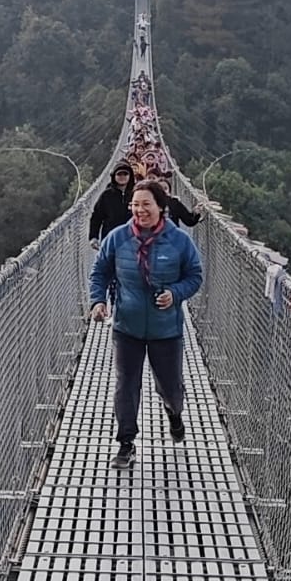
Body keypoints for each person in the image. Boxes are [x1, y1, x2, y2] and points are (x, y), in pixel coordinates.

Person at [90, 180, 203, 467]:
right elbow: (100, 271)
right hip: (126, 326)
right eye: (135, 204)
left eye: (146, 204)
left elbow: (195, 275)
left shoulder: (179, 241)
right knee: (126, 384)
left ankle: (174, 413)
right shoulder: (117, 238)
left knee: (170, 388)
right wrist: (98, 301)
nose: (139, 210)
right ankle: (126, 443)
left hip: (166, 329)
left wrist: (175, 293)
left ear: (161, 207)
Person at [88, 163, 136, 247]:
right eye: (119, 174)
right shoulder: (106, 195)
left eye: (125, 174)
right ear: (114, 176)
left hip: (131, 239)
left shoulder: (136, 194)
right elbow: (96, 216)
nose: (122, 176)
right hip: (109, 239)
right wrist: (93, 237)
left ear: (130, 176)